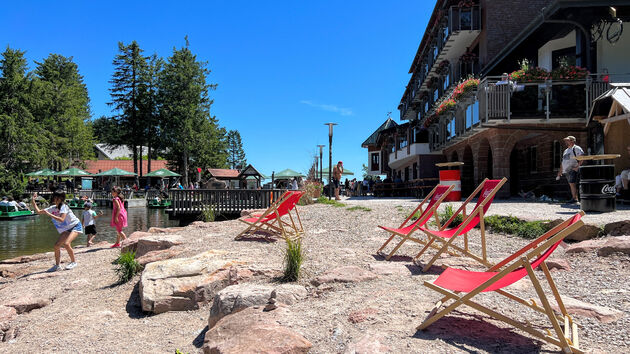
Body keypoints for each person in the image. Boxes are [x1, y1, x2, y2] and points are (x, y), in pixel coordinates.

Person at [31, 190, 82, 271]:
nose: (55, 198)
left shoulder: (64, 207)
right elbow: (38, 211)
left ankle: (73, 262)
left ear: (61, 198)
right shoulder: (53, 208)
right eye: (54, 197)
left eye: (57, 197)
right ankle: (57, 266)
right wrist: (33, 200)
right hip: (66, 229)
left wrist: (49, 214)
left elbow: (62, 219)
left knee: (66, 244)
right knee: (56, 245)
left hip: (75, 226)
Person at [557, 135, 584, 203]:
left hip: (573, 169)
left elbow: (582, 157)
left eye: (567, 140)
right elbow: (563, 161)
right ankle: (574, 198)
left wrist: (577, 167)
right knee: (571, 184)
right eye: (566, 140)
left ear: (572, 141)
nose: (566, 142)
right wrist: (560, 171)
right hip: (566, 170)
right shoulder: (566, 151)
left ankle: (575, 199)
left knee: (572, 183)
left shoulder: (576, 148)